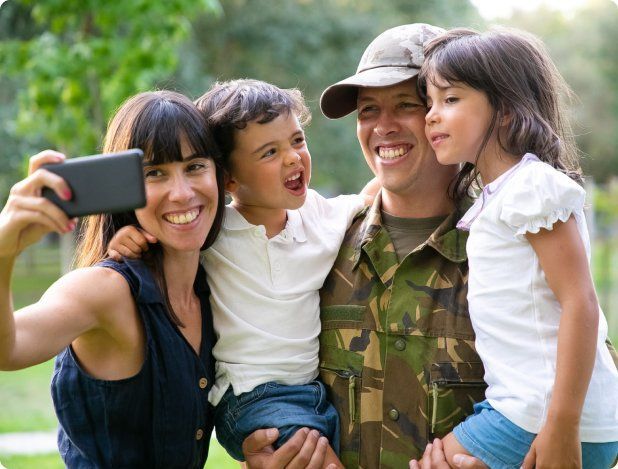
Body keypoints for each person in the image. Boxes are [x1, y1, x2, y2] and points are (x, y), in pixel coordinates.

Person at [108, 79, 380, 467]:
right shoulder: (213, 230)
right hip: (250, 397)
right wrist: (127, 240)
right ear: (229, 179)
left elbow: (374, 195)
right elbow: (160, 233)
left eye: (297, 141)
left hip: (313, 391)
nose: (293, 158)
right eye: (270, 152)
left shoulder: (321, 215)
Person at [412, 27, 618, 469]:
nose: (431, 115)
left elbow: (580, 303)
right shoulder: (500, 195)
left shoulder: (531, 186)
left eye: (449, 100)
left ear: (504, 111)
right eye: (430, 102)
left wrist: (561, 428)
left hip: (543, 414)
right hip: (535, 408)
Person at [0, 90, 227, 467]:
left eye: (195, 166)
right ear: (124, 189)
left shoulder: (215, 281)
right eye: (155, 173)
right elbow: (8, 349)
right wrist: (4, 251)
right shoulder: (105, 290)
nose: (182, 193)